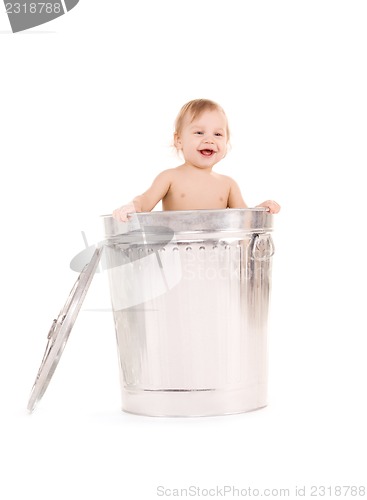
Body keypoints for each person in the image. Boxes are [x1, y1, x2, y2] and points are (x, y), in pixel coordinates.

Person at [113, 99, 280, 222]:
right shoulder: (170, 178)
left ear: (226, 143)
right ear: (179, 140)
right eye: (199, 133)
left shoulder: (228, 185)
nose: (209, 140)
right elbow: (145, 201)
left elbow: (245, 220)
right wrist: (132, 207)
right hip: (176, 255)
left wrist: (260, 211)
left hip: (215, 258)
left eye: (218, 134)